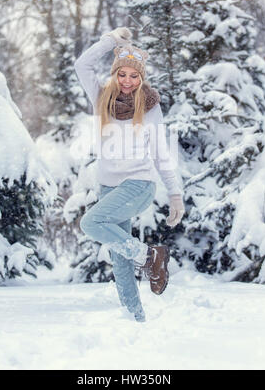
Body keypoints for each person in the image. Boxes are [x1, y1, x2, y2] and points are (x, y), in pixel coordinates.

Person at [74, 27, 185, 322]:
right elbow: (81, 64)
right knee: (120, 260)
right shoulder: (100, 97)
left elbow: (161, 152)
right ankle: (135, 320)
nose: (127, 81)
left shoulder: (149, 107)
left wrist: (175, 194)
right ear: (114, 74)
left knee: (91, 222)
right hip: (109, 187)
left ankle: (150, 257)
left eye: (134, 76)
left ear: (141, 77)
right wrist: (109, 42)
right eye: (122, 74)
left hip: (139, 184)